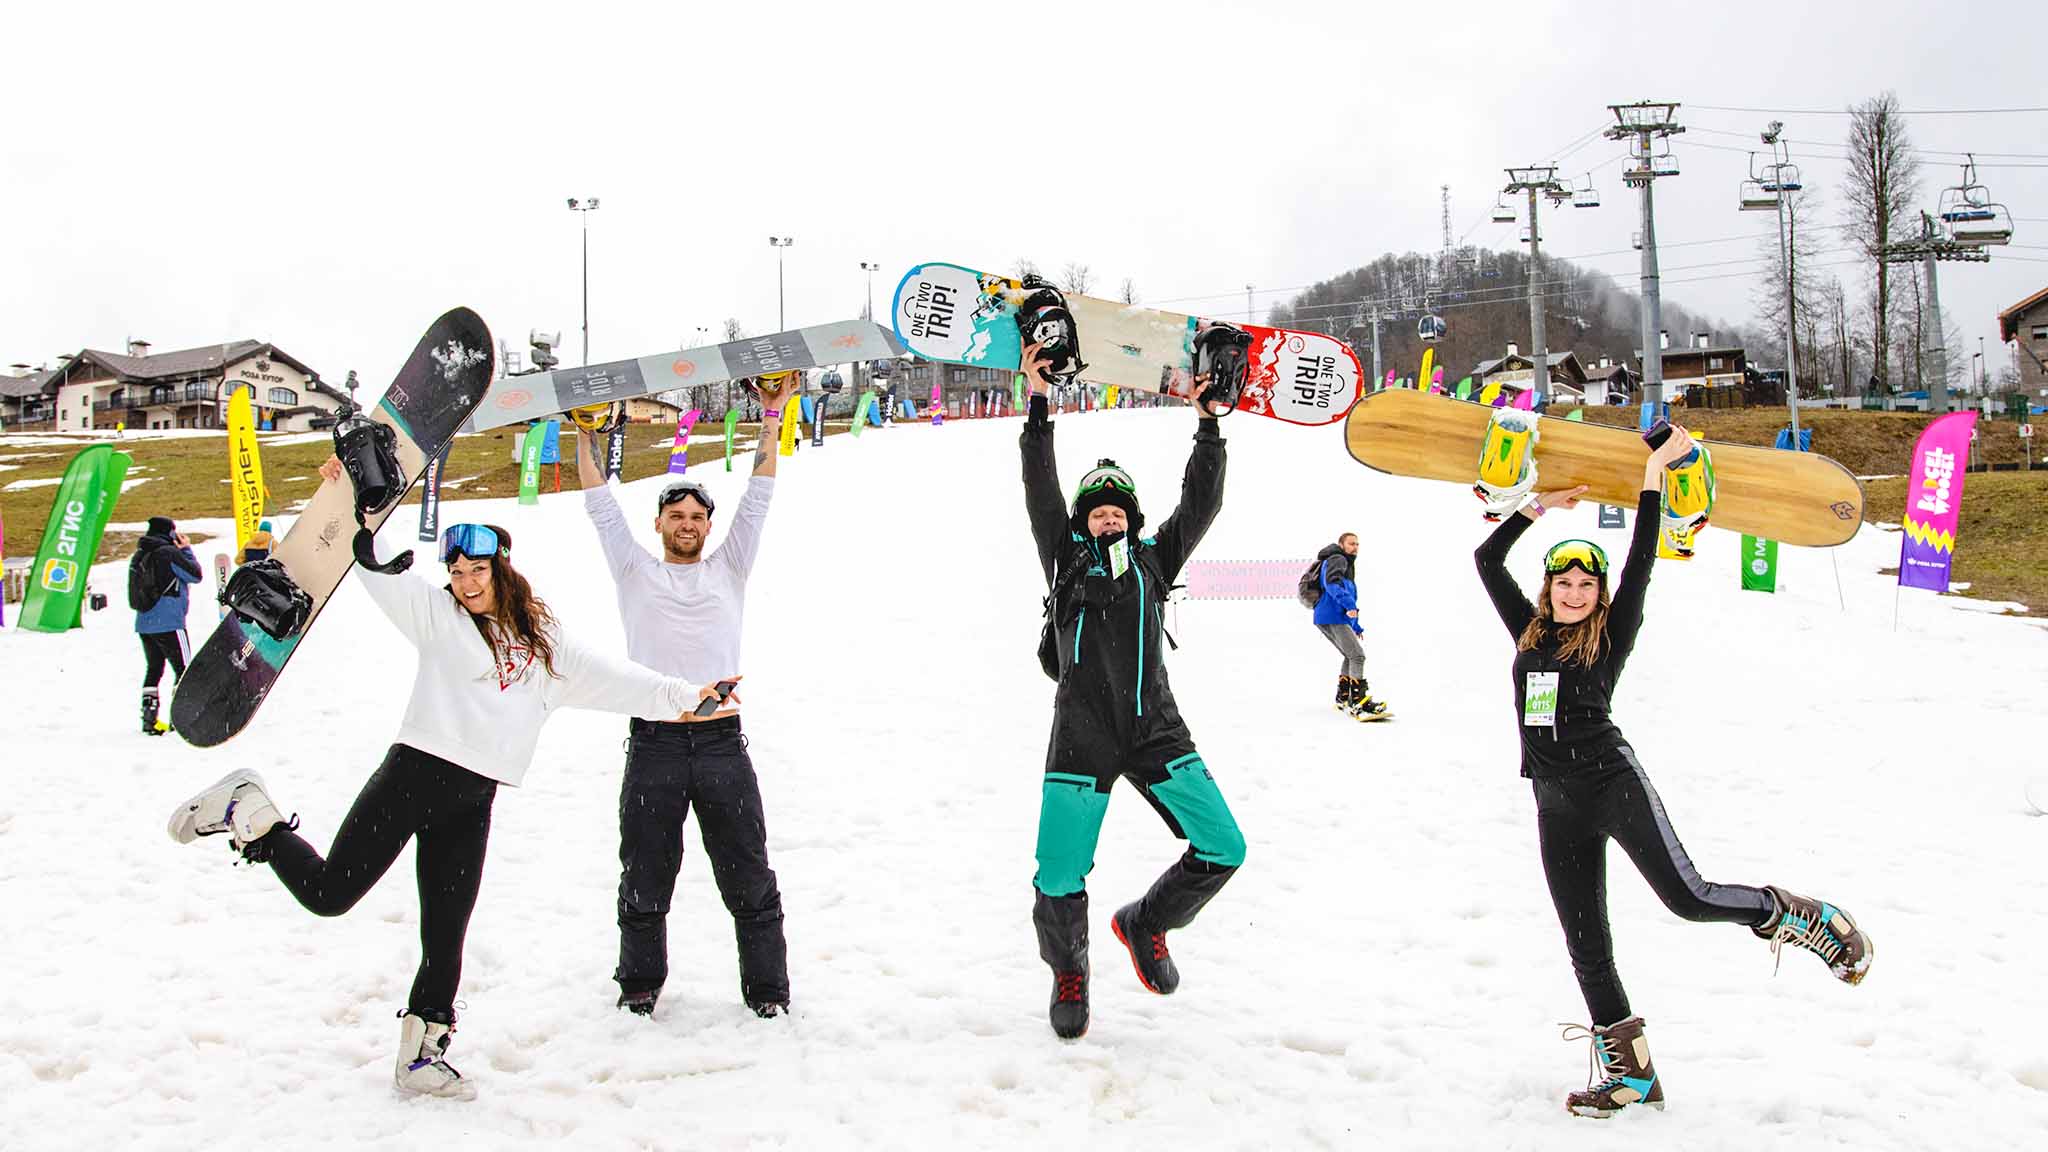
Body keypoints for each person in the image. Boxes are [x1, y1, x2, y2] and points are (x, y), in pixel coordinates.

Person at [168, 456, 729, 1100]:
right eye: (457, 572)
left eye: (477, 571)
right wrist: (346, 492)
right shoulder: (438, 615)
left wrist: (687, 696)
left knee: (446, 932)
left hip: (473, 800)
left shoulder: (546, 645)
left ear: (501, 569)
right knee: (329, 894)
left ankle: (422, 1053)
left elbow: (619, 678)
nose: (465, 583)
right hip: (413, 777)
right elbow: (373, 562)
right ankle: (251, 812)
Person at [1473, 425, 1873, 1119]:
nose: (1574, 592)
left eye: (1585, 584)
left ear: (1600, 594)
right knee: (1585, 944)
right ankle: (1631, 1077)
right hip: (1554, 801)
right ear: (1549, 588)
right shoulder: (1530, 631)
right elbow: (1486, 559)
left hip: (1612, 782)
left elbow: (1640, 562)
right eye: (1564, 582)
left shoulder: (1610, 632)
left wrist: (1653, 478)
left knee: (1688, 898)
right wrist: (1540, 505)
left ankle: (1802, 916)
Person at [1019, 341, 1247, 1041]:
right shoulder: (1064, 560)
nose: (1108, 516)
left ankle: (1145, 923)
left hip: (1156, 731)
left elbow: (1202, 503)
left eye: (1118, 509)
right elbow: (1040, 485)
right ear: (1082, 520)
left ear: (1133, 518)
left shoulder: (1155, 561)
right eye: (1097, 510)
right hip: (1081, 735)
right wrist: (1038, 402)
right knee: (1057, 874)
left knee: (1224, 846)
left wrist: (1208, 424)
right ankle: (1070, 971)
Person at [575, 371, 795, 1020]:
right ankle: (639, 987)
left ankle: (768, 994)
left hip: (722, 745)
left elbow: (758, 497)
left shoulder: (730, 567)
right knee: (645, 879)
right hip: (655, 748)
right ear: (660, 523)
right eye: (677, 516)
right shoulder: (633, 569)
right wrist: (585, 436)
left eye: (698, 517)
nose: (688, 524)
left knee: (749, 876)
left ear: (708, 525)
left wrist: (772, 415)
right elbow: (600, 506)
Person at [131, 515, 201, 734]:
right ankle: (180, 719)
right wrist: (186, 549)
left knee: (154, 669)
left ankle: (149, 718)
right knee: (184, 671)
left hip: (144, 623)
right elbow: (195, 575)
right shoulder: (169, 553)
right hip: (170, 622)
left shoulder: (139, 554)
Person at [1307, 532, 1388, 720]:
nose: (1355, 547)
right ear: (1341, 545)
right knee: (1358, 656)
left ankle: (1343, 697)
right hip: (1332, 615)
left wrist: (1355, 626)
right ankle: (1358, 702)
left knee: (1350, 655)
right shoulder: (1338, 559)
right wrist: (1350, 605)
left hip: (1329, 616)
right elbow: (1332, 584)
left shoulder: (1345, 563)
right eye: (1351, 544)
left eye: (1357, 544)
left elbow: (1346, 593)